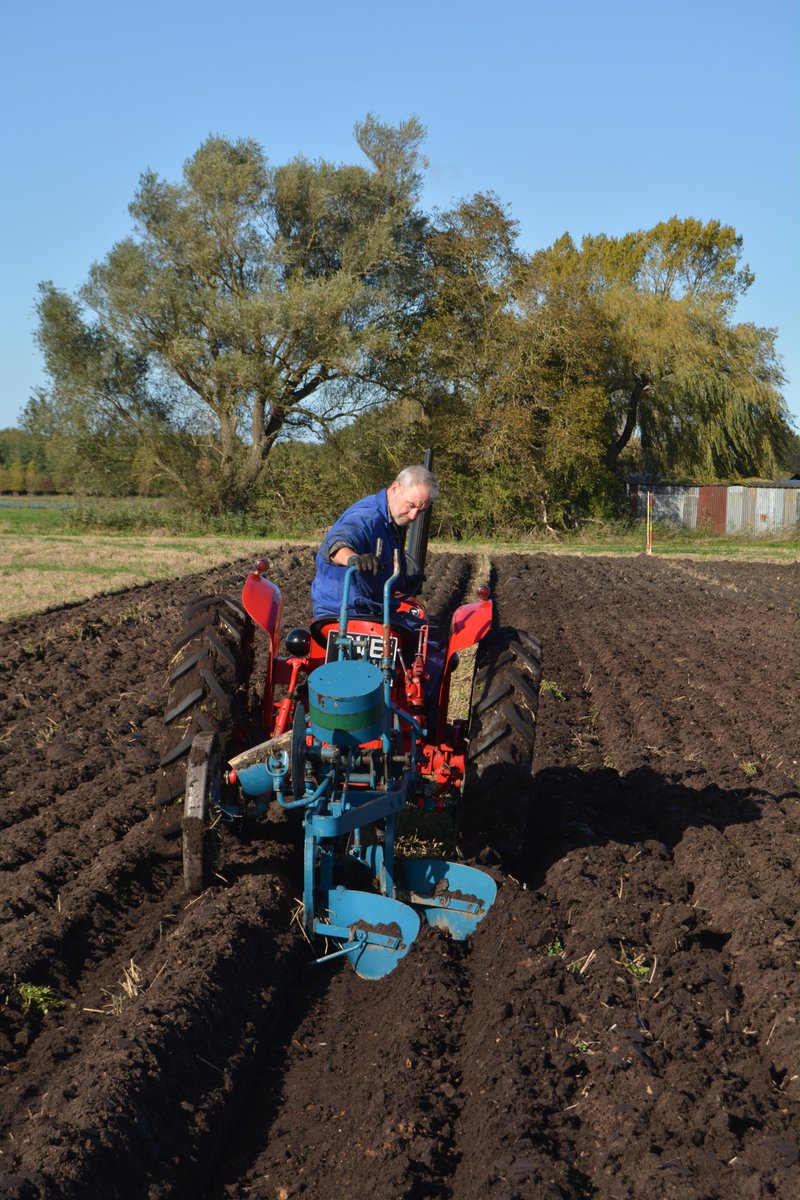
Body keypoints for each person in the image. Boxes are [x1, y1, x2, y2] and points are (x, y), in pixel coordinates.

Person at [311, 465, 439, 620]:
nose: (413, 516)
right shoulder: (368, 516)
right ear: (395, 488)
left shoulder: (392, 520)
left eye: (420, 511)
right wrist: (353, 559)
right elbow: (337, 543)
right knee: (422, 637)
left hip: (372, 607)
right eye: (411, 506)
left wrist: (404, 582)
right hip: (346, 611)